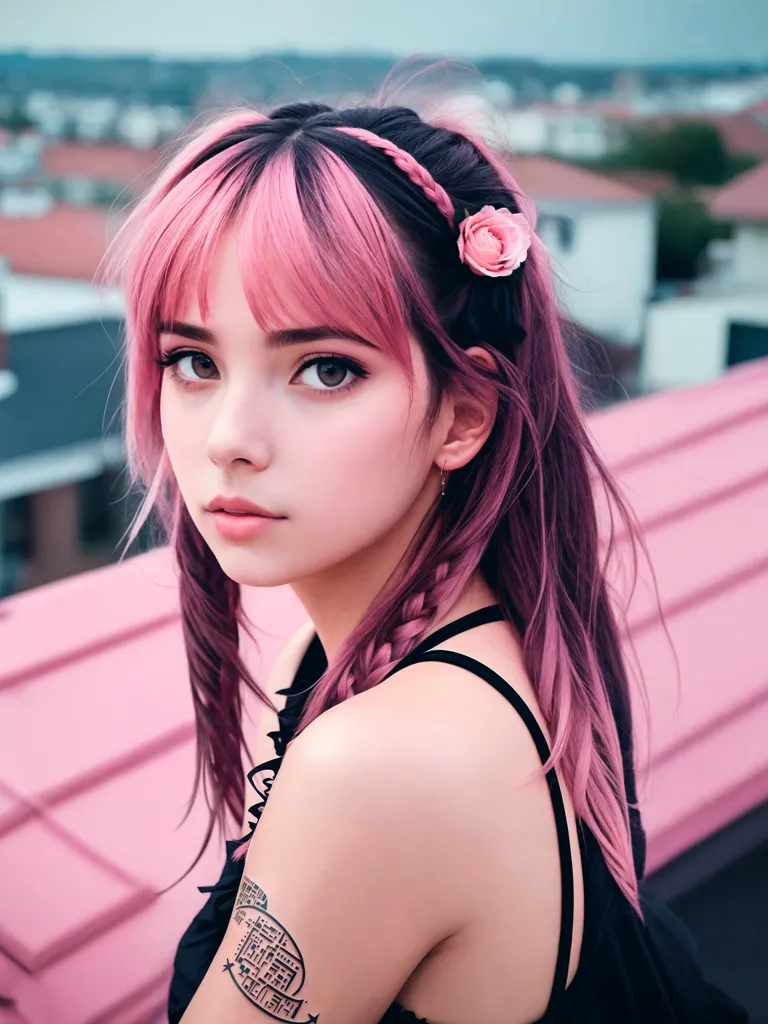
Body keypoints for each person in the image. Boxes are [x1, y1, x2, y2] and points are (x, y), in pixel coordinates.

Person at [106, 98, 751, 1023]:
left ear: (463, 417)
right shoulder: (471, 640)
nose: (228, 442)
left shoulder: (380, 766)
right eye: (194, 362)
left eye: (325, 369)